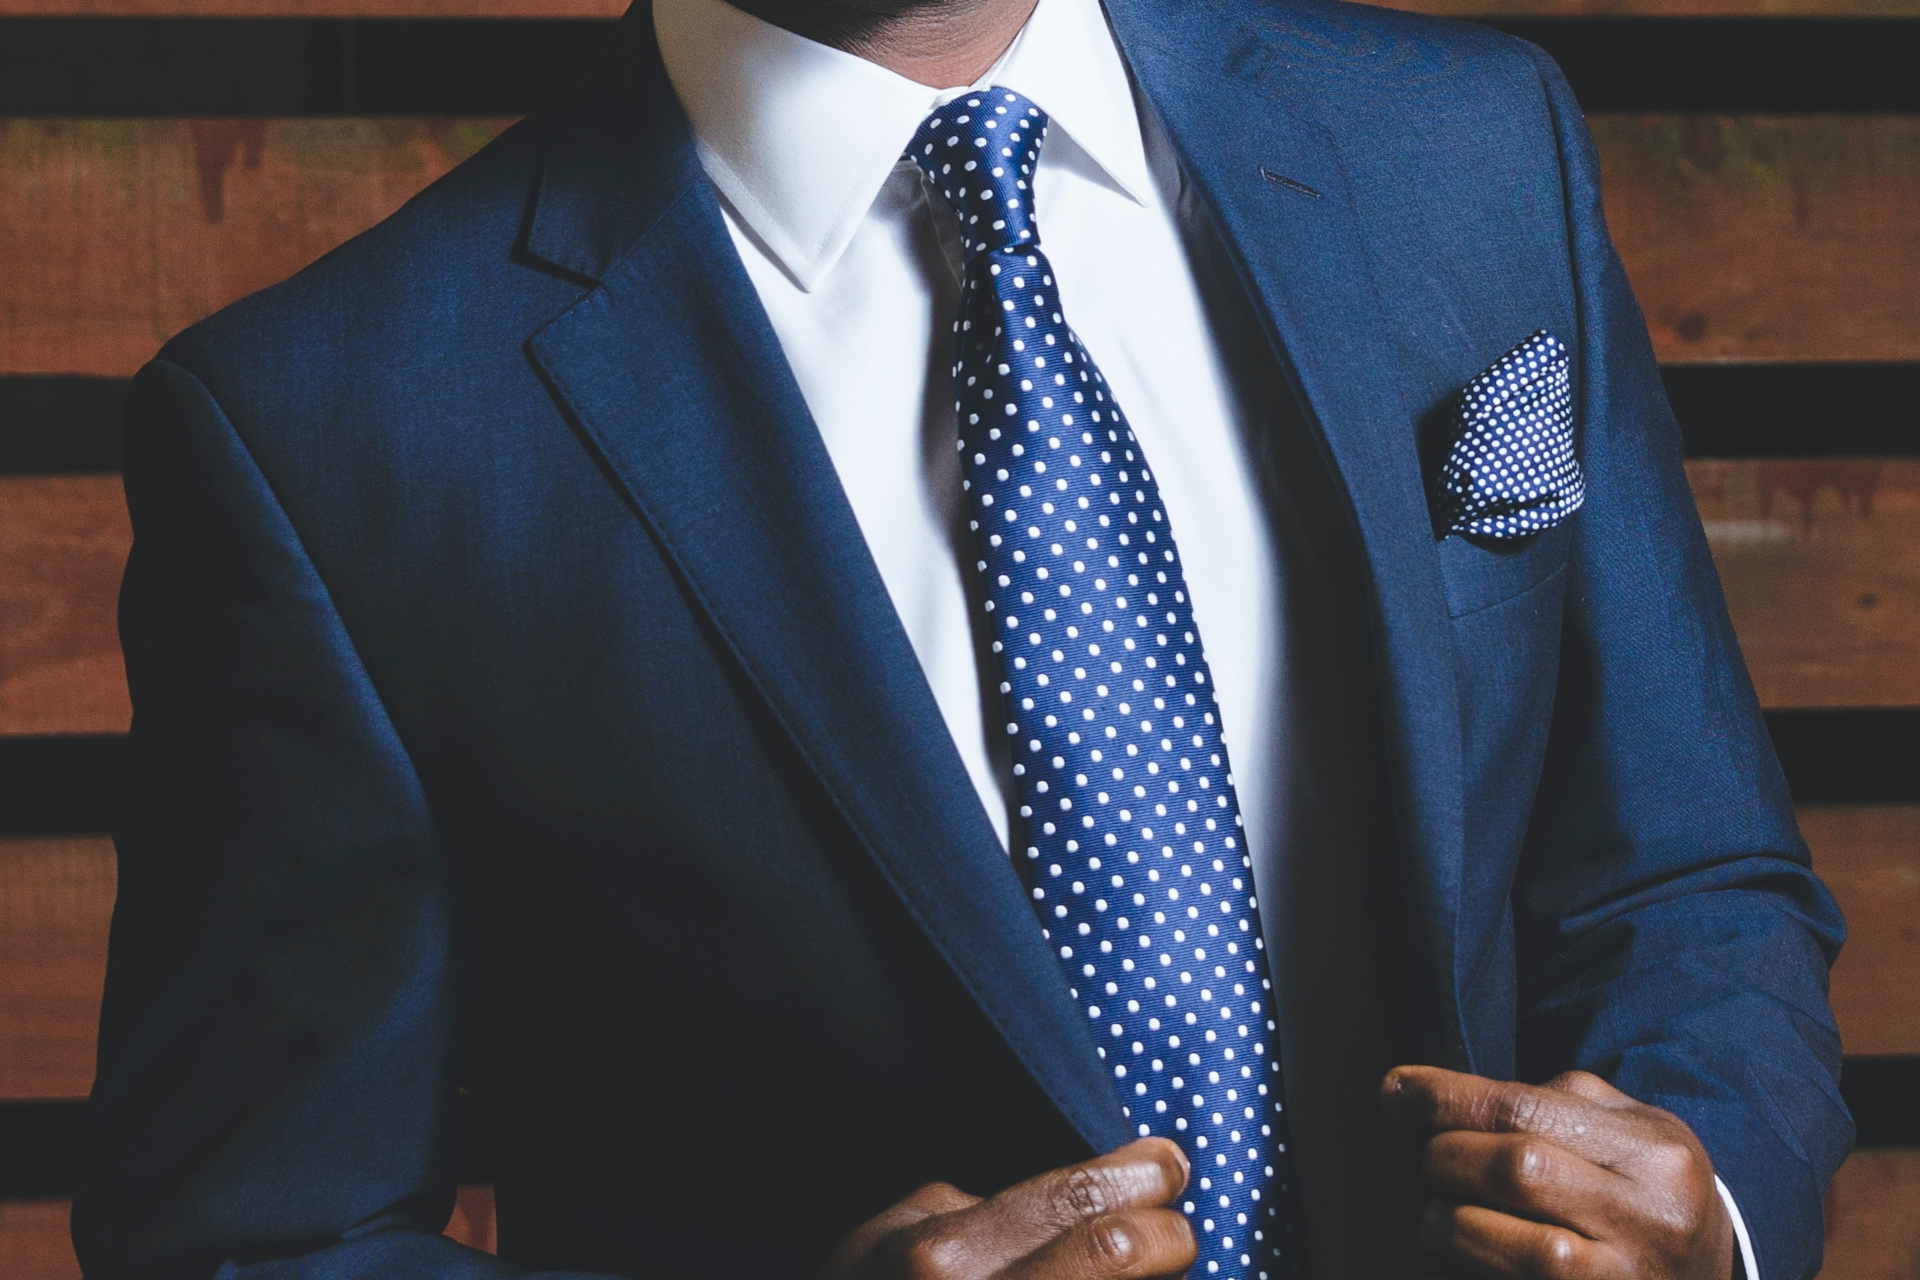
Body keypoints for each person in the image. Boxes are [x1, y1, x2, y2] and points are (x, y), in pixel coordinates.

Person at [72, 0, 1852, 1273]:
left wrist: (1725, 1225)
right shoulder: (331, 426)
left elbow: (1685, 877)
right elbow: (254, 1232)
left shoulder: (1467, 147)